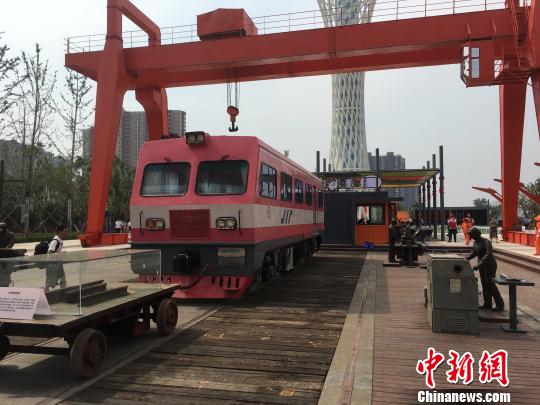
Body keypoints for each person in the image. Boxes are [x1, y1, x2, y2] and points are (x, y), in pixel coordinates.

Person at [467, 227, 504, 312]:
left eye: (472, 235)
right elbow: (474, 253)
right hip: (482, 265)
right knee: (484, 283)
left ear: (477, 234)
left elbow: (488, 254)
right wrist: (467, 258)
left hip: (489, 264)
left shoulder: (486, 241)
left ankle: (500, 304)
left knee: (490, 284)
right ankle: (487, 303)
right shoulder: (475, 242)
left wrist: (479, 265)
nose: (471, 237)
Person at [45, 225, 68, 292]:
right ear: (60, 232)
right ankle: (45, 294)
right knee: (49, 282)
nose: (66, 234)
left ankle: (63, 294)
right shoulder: (55, 241)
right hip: (52, 265)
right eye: (65, 232)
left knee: (63, 280)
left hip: (58, 264)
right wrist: (61, 254)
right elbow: (50, 253)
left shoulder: (59, 241)